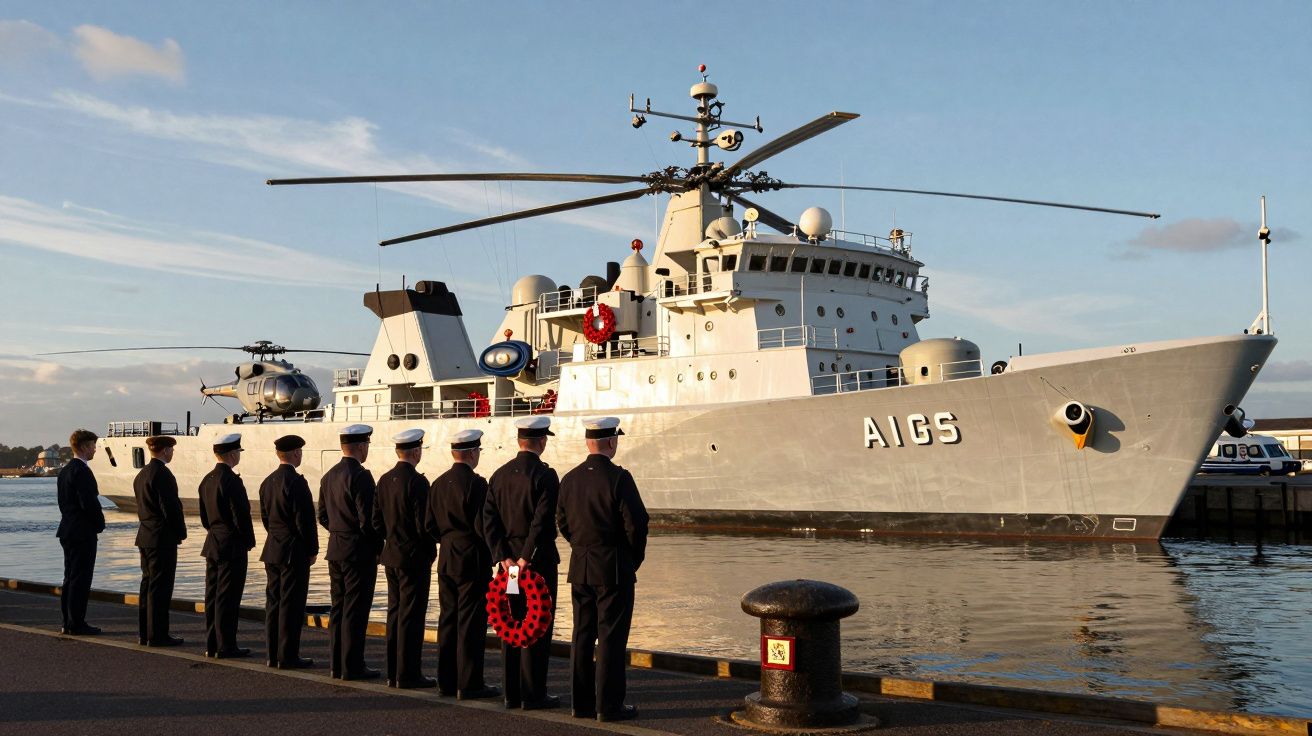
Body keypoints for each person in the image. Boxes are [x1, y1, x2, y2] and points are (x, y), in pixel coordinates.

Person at [557, 417, 649, 722]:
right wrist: (631, 559)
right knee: (611, 637)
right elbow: (637, 523)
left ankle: (580, 704)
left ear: (588, 442)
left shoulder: (569, 479)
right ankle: (608, 706)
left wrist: (581, 547)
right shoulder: (620, 478)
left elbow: (562, 522)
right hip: (613, 567)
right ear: (611, 441)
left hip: (580, 567)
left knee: (582, 635)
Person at [484, 416, 560, 710]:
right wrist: (526, 558)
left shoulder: (499, 475)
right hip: (535, 564)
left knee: (511, 623)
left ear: (519, 441)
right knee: (537, 624)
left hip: (508, 568)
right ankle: (533, 693)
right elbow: (541, 522)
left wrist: (503, 557)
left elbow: (488, 520)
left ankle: (511, 693)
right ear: (541, 441)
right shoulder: (545, 476)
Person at [427, 429, 498, 699]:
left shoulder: (437, 483)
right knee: (471, 623)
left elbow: (429, 525)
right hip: (471, 560)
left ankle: (446, 681)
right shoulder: (477, 485)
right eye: (478, 451)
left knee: (448, 620)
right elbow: (483, 526)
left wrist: (447, 541)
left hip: (447, 558)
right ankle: (469, 683)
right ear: (471, 453)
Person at [372, 428, 436, 688]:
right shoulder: (418, 482)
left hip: (391, 555)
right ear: (416, 451)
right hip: (413, 558)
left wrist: (392, 539)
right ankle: (409, 674)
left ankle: (393, 672)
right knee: (412, 617)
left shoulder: (384, 480)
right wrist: (430, 551)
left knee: (395, 613)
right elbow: (424, 525)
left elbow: (376, 522)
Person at [318, 423, 381, 680]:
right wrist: (377, 548)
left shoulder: (328, 476)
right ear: (360, 447)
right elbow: (369, 520)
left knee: (339, 608)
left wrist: (339, 532)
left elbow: (322, 516)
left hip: (335, 549)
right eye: (367, 445)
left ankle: (337, 664)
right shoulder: (361, 476)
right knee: (356, 610)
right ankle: (353, 666)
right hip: (358, 552)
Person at [259, 434, 318, 669]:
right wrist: (312, 549)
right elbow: (305, 521)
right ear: (295, 453)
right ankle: (288, 656)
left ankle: (272, 655)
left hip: (272, 549)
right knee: (291, 606)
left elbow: (265, 518)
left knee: (273, 603)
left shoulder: (267, 482)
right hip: (294, 552)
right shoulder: (296, 482)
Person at [198, 432, 255, 658]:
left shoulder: (207, 480)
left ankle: (212, 643)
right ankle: (226, 645)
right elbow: (240, 516)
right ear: (232, 454)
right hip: (231, 545)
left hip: (213, 542)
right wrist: (248, 541)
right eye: (238, 452)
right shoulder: (232, 481)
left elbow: (204, 517)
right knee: (228, 597)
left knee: (212, 595)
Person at [134, 434, 186, 647]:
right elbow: (170, 508)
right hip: (162, 538)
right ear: (165, 450)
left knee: (147, 585)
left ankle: (145, 632)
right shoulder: (163, 474)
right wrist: (180, 532)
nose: (172, 453)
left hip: (145, 535)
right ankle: (158, 634)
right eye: (171, 450)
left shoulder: (142, 474)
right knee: (161, 588)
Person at [56, 428, 105, 636]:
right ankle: (77, 622)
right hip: (82, 532)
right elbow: (89, 502)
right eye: (93, 446)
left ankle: (68, 620)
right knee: (81, 578)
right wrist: (99, 524)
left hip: (67, 528)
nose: (95, 449)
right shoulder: (83, 471)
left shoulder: (65, 471)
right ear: (84, 447)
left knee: (69, 577)